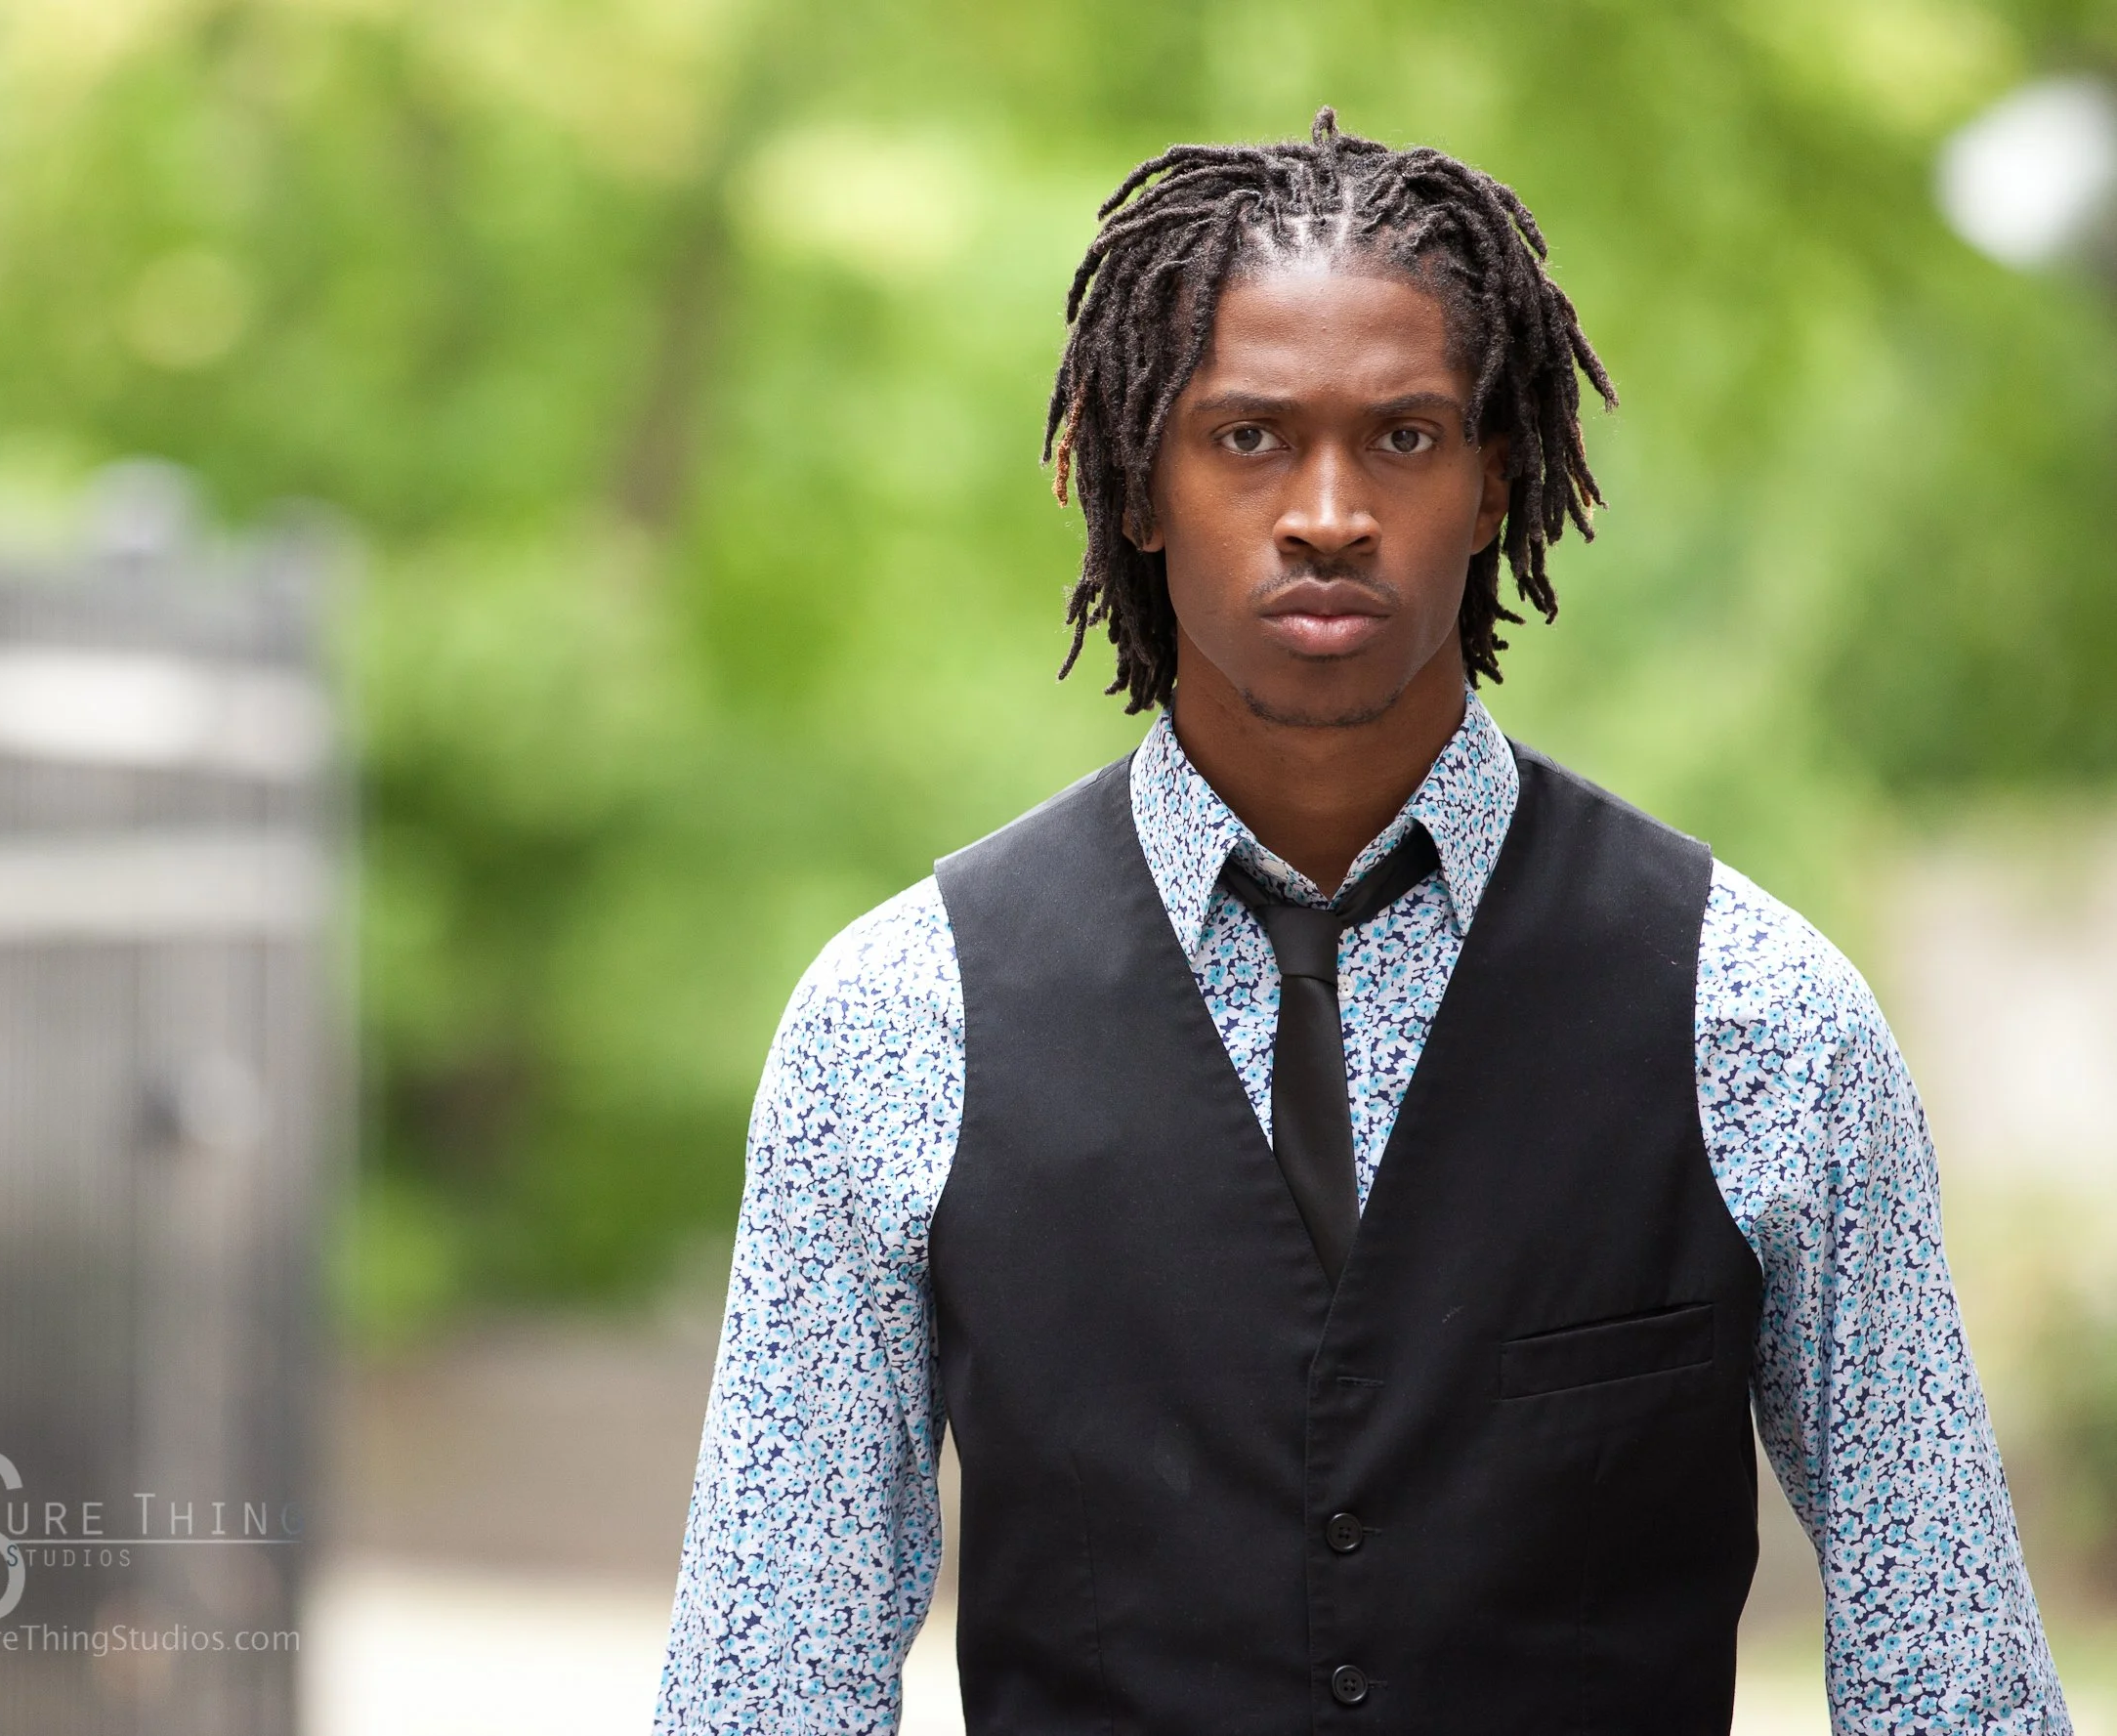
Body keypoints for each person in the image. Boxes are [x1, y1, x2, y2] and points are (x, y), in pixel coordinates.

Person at [655, 111, 2067, 1733]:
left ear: (1491, 488)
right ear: (1137, 487)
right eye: (1249, 437)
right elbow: (766, 1687)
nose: (1327, 508)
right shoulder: (899, 1026)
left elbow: (1949, 1672)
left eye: (1402, 438)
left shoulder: (1759, 1019)